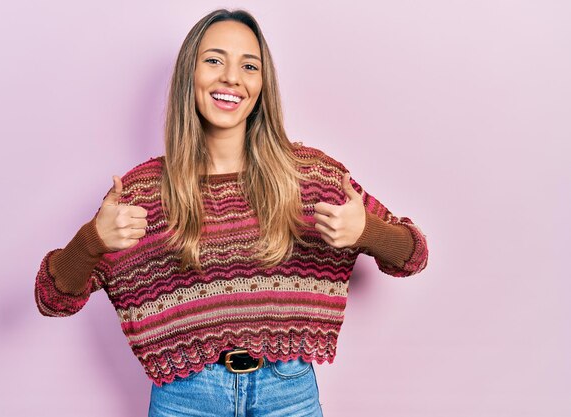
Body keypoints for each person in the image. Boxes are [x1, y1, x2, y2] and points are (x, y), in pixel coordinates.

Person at [34, 8, 428, 417]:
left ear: (262, 84)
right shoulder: (141, 193)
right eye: (214, 60)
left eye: (249, 65)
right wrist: (92, 240)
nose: (231, 77)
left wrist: (368, 231)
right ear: (191, 74)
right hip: (185, 397)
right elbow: (51, 298)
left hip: (287, 393)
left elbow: (413, 255)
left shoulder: (311, 177)